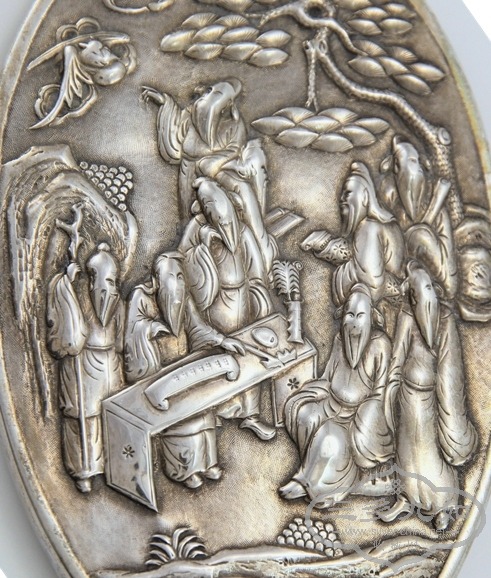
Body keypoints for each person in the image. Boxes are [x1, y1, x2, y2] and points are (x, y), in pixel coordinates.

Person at [125, 252, 245, 489]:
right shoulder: (140, 296)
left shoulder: (182, 296)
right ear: (157, 281)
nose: (178, 283)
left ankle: (207, 463)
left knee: (202, 407)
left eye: (181, 277)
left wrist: (222, 340)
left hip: (185, 364)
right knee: (181, 418)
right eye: (172, 277)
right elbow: (132, 331)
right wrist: (149, 328)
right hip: (158, 370)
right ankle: (183, 470)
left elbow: (197, 327)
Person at [378, 261, 478, 530]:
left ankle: (443, 505)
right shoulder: (406, 315)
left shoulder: (445, 320)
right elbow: (398, 355)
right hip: (406, 398)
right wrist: (390, 389)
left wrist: (449, 407)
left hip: (431, 400)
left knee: (431, 455)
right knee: (406, 452)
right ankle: (405, 498)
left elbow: (450, 368)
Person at [179, 177, 276, 441]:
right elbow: (183, 264)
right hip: (214, 304)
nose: (225, 227)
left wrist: (258, 296)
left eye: (227, 221)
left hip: (242, 301)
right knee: (217, 356)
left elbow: (256, 269)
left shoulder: (242, 232)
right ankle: (217, 413)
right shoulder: (196, 230)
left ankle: (251, 414)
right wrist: (203, 248)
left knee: (248, 354)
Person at [281, 284, 394, 508]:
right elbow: (328, 376)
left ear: (372, 317)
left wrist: (366, 415)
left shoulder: (380, 345)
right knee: (304, 414)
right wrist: (313, 392)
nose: (354, 322)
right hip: (332, 402)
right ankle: (304, 474)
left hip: (358, 416)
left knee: (329, 437)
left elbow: (382, 391)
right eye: (350, 315)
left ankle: (316, 487)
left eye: (360, 316)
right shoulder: (339, 340)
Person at [47, 243, 125, 493]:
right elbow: (68, 333)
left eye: (114, 282)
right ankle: (83, 471)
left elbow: (120, 339)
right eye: (108, 281)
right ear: (93, 280)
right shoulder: (77, 295)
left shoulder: (117, 303)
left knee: (109, 416)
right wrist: (66, 281)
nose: (112, 289)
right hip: (83, 366)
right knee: (83, 417)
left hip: (109, 365)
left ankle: (109, 466)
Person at [302, 162, 405, 307]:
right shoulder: (386, 224)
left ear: (365, 196)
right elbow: (364, 259)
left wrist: (325, 243)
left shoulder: (369, 227)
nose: (342, 199)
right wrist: (327, 246)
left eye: (348, 193)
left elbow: (371, 282)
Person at [380, 136, 458, 299]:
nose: (419, 167)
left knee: (419, 235)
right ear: (397, 166)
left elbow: (428, 241)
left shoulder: (433, 201)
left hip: (442, 273)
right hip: (406, 273)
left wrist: (436, 202)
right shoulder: (391, 196)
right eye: (412, 161)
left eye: (418, 161)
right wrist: (436, 201)